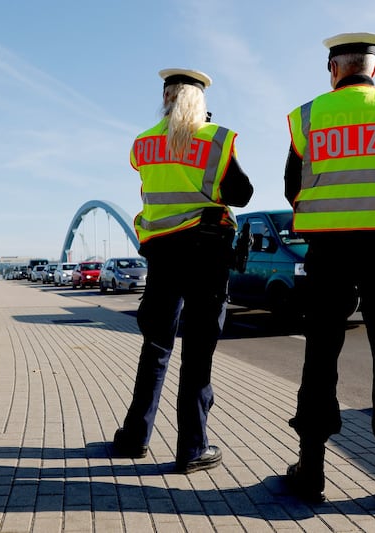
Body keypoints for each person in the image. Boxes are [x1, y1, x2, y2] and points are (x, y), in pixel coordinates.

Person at [283, 33, 375, 513]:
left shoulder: (308, 117)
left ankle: (311, 472)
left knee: (320, 355)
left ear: (333, 69)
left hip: (327, 252)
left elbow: (293, 189)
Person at [112, 68, 253, 474]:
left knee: (155, 346)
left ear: (166, 98)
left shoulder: (144, 143)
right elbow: (241, 193)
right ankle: (192, 447)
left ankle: (135, 437)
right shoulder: (214, 139)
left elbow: (151, 188)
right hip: (207, 252)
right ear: (200, 103)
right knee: (197, 351)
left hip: (162, 254)